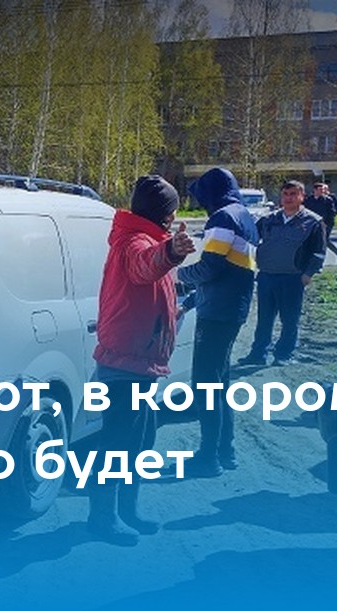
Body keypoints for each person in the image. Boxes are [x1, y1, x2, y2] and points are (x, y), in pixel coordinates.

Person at [85, 175, 195, 545]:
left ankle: (126, 510)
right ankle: (102, 517)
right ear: (163, 213)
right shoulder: (136, 241)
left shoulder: (146, 237)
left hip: (139, 362)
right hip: (124, 364)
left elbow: (147, 285)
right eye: (172, 209)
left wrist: (172, 311)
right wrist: (172, 252)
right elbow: (143, 266)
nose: (174, 216)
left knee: (139, 441)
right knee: (117, 445)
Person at [178, 167, 258, 478]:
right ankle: (226, 450)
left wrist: (174, 273)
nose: (201, 205)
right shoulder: (244, 216)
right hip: (232, 308)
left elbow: (209, 268)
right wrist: (189, 302)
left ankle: (208, 457)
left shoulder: (223, 218)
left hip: (216, 312)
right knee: (220, 383)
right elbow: (230, 269)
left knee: (205, 385)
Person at [239, 181, 326, 367]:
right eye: (285, 194)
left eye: (293, 194)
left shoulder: (313, 222)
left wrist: (308, 274)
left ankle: (283, 354)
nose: (288, 198)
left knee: (289, 319)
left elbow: (319, 252)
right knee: (264, 318)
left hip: (293, 278)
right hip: (267, 276)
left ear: (302, 196)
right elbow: (250, 238)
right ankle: (258, 354)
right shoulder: (269, 219)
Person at [303, 181, 337, 265]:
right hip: (312, 224)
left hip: (326, 223)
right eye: (320, 189)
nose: (322, 191)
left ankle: (320, 261)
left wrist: (326, 223)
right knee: (316, 241)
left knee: (323, 240)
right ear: (314, 190)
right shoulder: (308, 200)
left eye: (323, 190)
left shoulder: (328, 200)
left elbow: (332, 212)